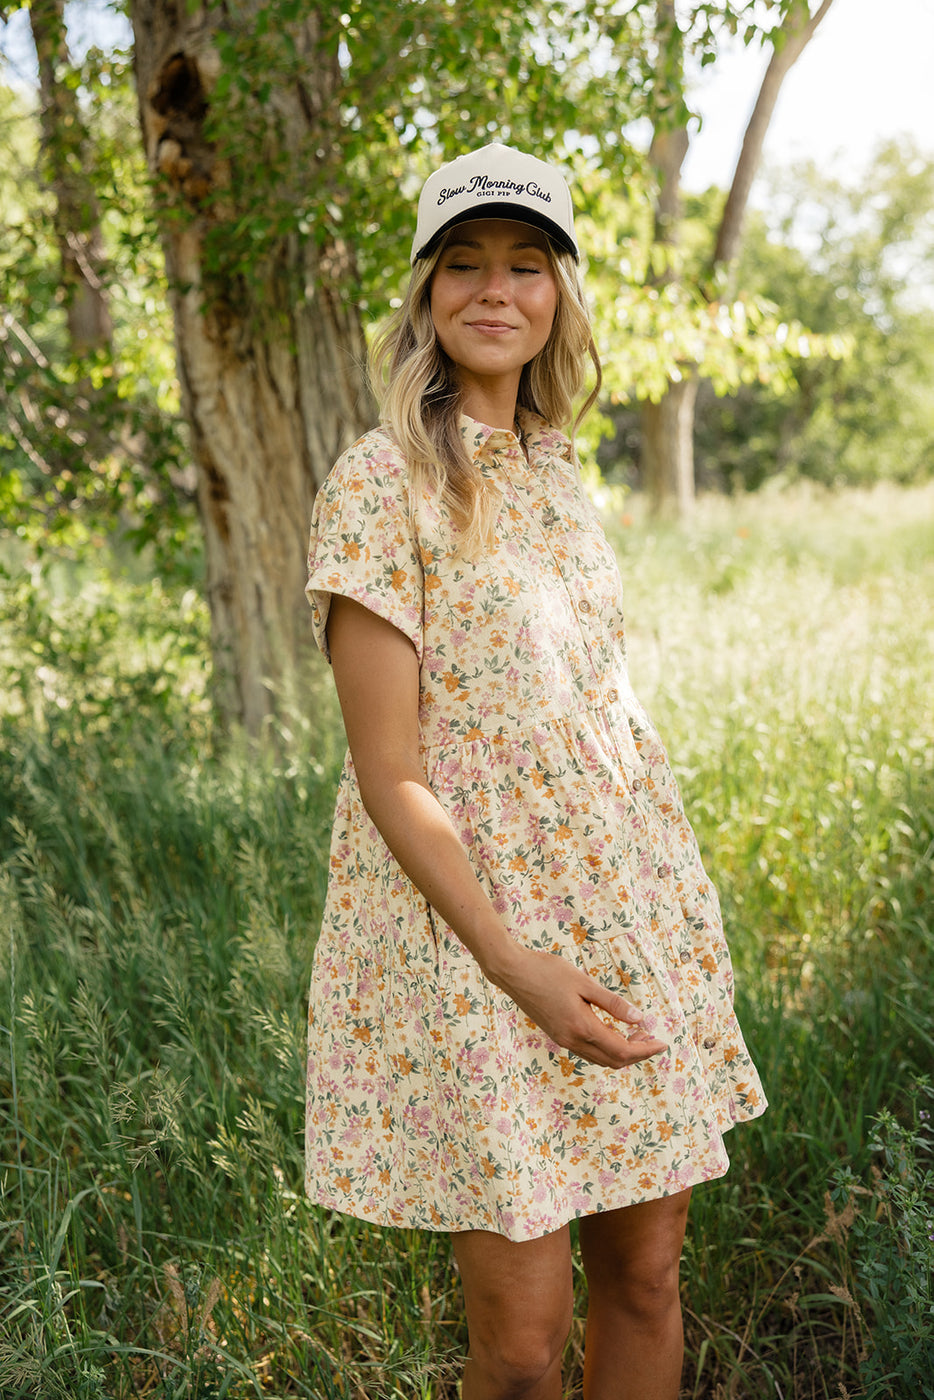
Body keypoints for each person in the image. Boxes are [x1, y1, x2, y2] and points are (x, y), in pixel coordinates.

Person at [303, 142, 766, 1400]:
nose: (493, 290)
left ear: (559, 293)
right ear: (425, 293)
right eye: (464, 264)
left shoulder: (563, 475)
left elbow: (595, 713)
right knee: (517, 1346)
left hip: (622, 915)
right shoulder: (378, 479)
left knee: (648, 1277)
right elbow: (389, 769)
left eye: (524, 264)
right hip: (480, 947)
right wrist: (516, 965)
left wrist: (659, 910)